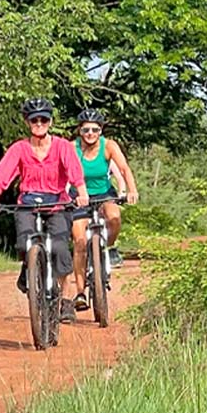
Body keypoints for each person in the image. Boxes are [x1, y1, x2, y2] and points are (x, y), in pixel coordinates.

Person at [0, 98, 90, 324]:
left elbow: (74, 171)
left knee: (60, 248)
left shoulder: (62, 146)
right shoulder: (19, 148)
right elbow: (3, 174)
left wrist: (81, 193)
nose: (39, 123)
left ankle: (66, 300)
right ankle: (29, 267)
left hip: (57, 202)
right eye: (34, 120)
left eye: (44, 119)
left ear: (50, 122)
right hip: (28, 202)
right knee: (23, 243)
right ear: (27, 122)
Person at [69, 107, 139, 310]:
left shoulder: (108, 146)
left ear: (100, 131)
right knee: (79, 240)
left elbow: (124, 169)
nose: (90, 134)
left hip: (104, 193)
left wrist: (131, 190)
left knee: (114, 216)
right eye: (85, 130)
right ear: (79, 131)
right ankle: (80, 292)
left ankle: (108, 248)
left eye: (94, 129)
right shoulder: (72, 148)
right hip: (79, 196)